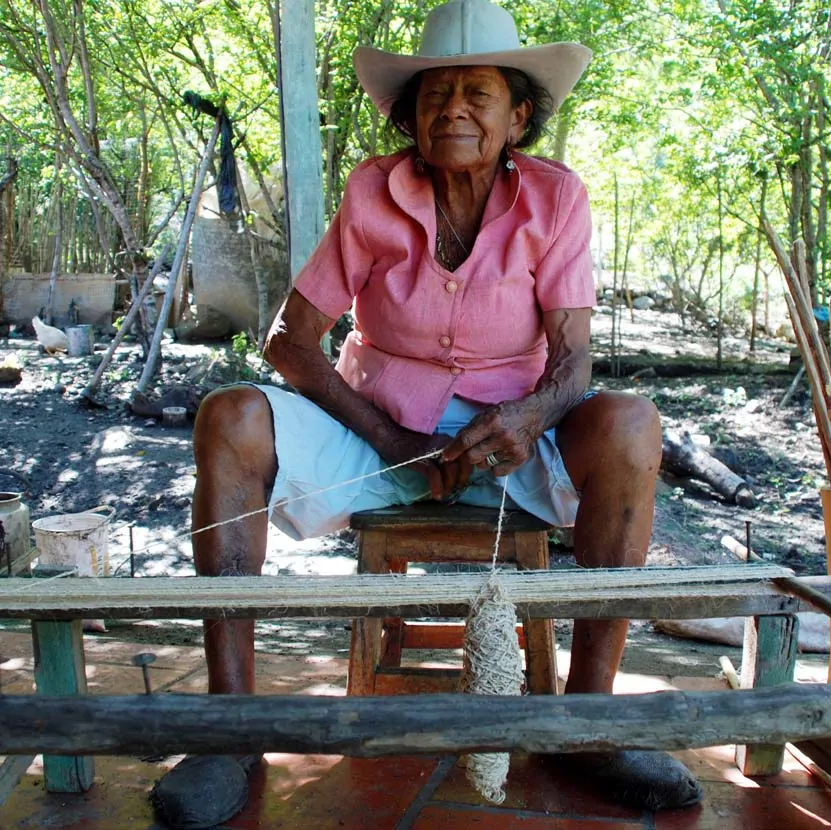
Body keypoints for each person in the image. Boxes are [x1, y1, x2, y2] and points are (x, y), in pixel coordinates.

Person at [152, 1, 702, 826]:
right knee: (227, 416)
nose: (454, 110)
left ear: (519, 119)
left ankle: (591, 727)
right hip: (379, 439)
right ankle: (229, 732)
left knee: (631, 423)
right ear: (409, 118)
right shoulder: (373, 192)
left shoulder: (556, 199)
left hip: (513, 447)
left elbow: (573, 360)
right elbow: (289, 342)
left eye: (479, 94)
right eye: (436, 94)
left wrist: (526, 418)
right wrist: (386, 435)